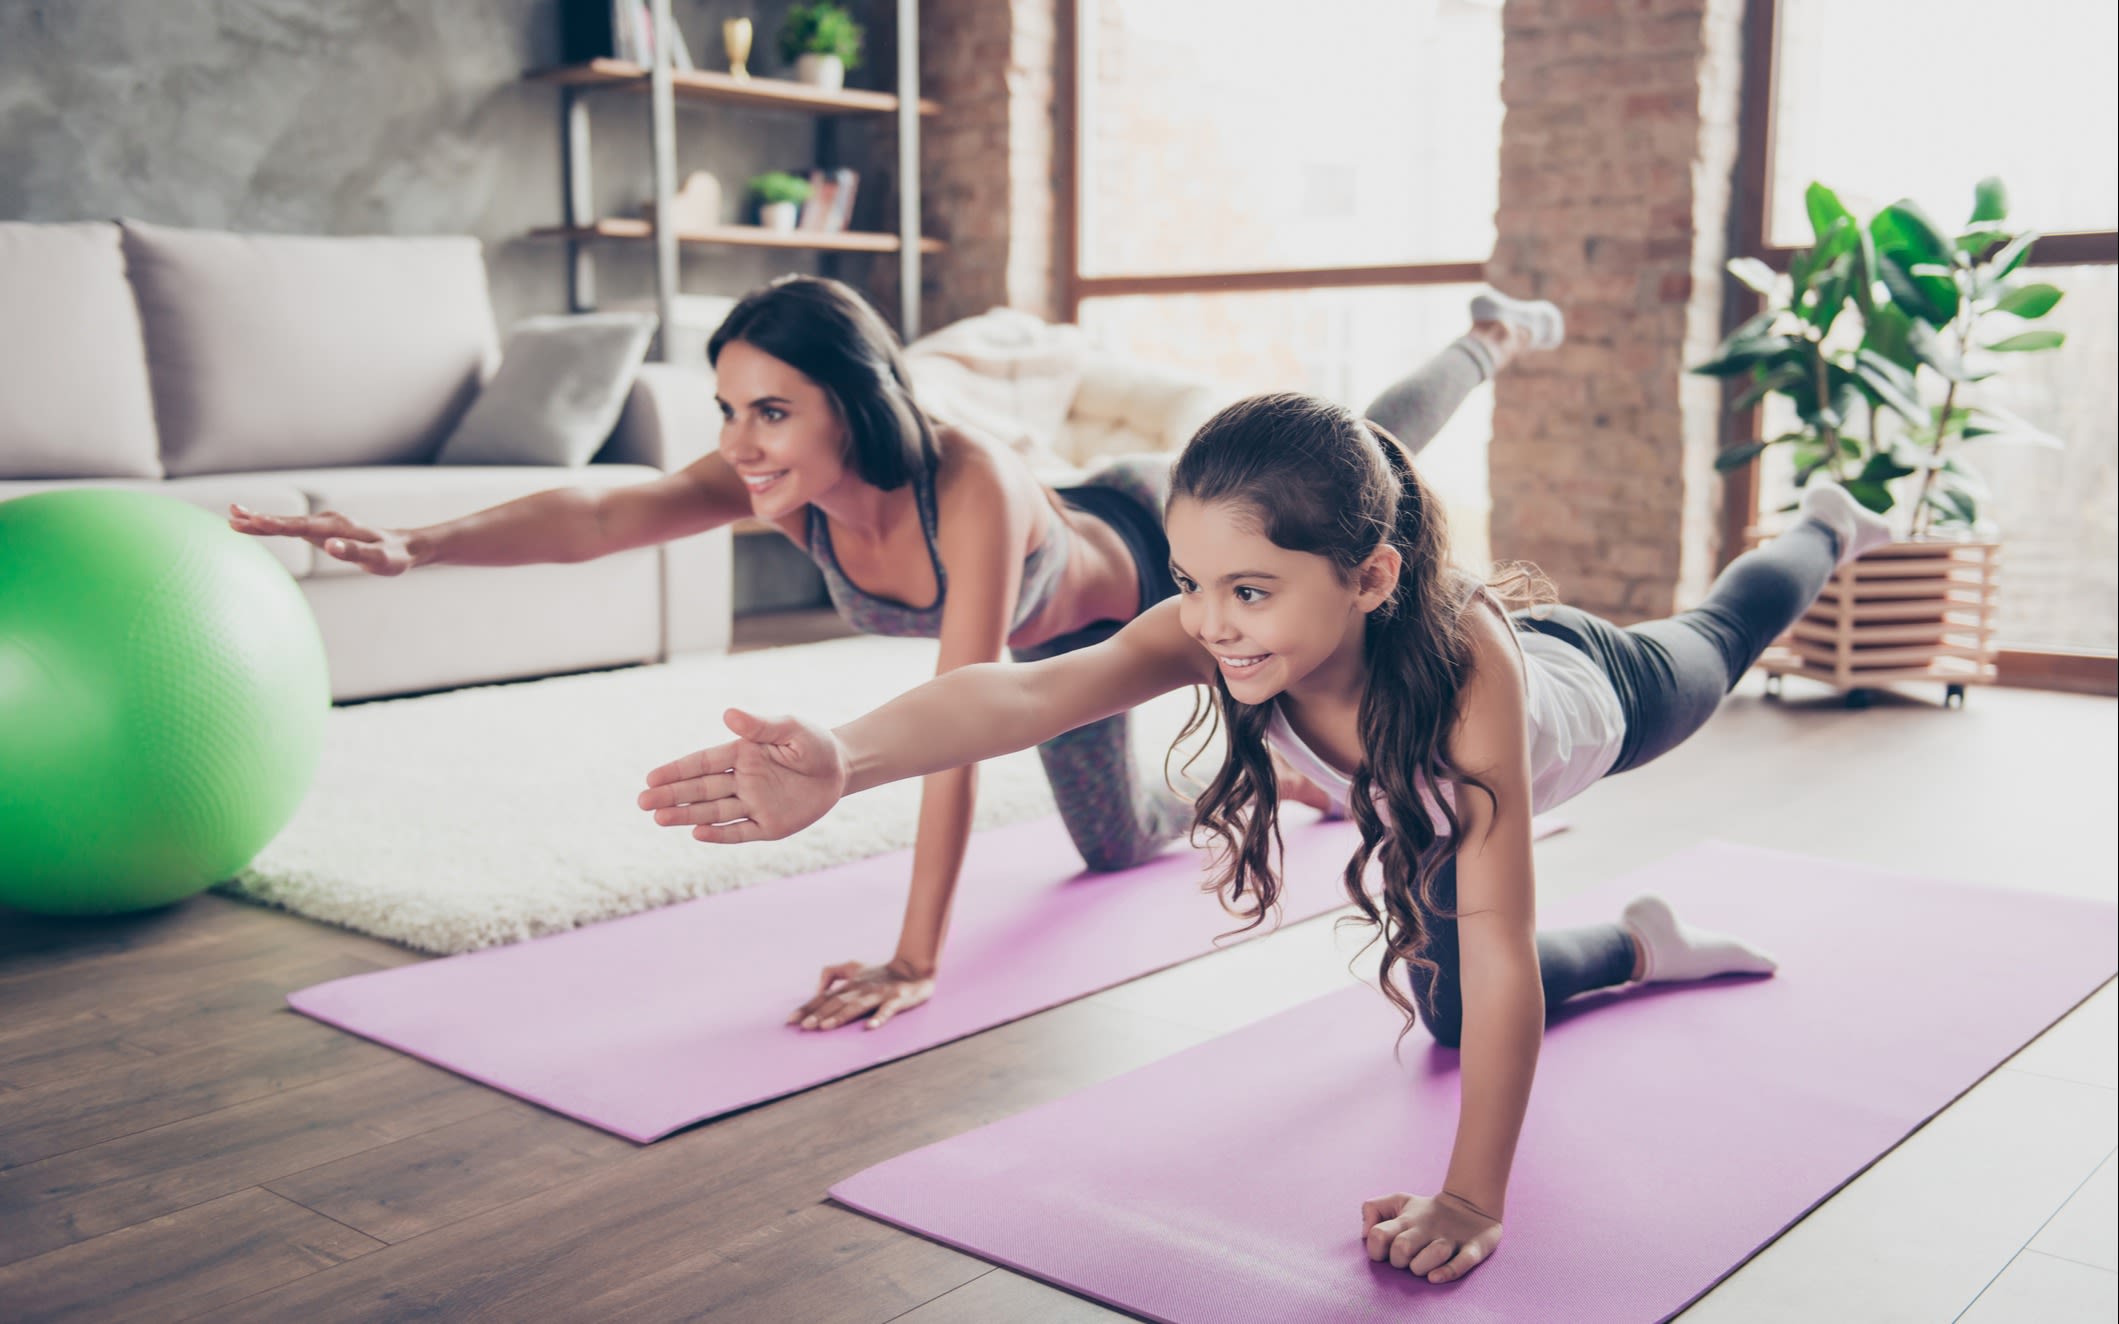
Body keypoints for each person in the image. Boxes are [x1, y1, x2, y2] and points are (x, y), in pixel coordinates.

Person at [634, 380, 1891, 1285]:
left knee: (1718, 644)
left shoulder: (1466, 683)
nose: (1213, 623)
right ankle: (1637, 947)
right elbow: (1026, 690)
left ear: (1371, 577)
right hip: (1428, 801)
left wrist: (1468, 1195)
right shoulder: (1216, 626)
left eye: (1249, 590)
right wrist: (846, 758)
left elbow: (1499, 939)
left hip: (1587, 699)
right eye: (1189, 582)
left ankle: (1826, 522)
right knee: (1449, 1017)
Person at [232, 273, 1559, 1036]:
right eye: (727, 411)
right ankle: (1294, 756)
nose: (741, 440)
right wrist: (421, 543)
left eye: (770, 410)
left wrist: (917, 954)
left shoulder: (962, 483)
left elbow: (967, 712)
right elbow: (601, 509)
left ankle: (1482, 337)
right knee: (1117, 845)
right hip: (1086, 654)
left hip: (1117, 567)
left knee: (1367, 455)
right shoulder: (781, 480)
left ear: (850, 404)